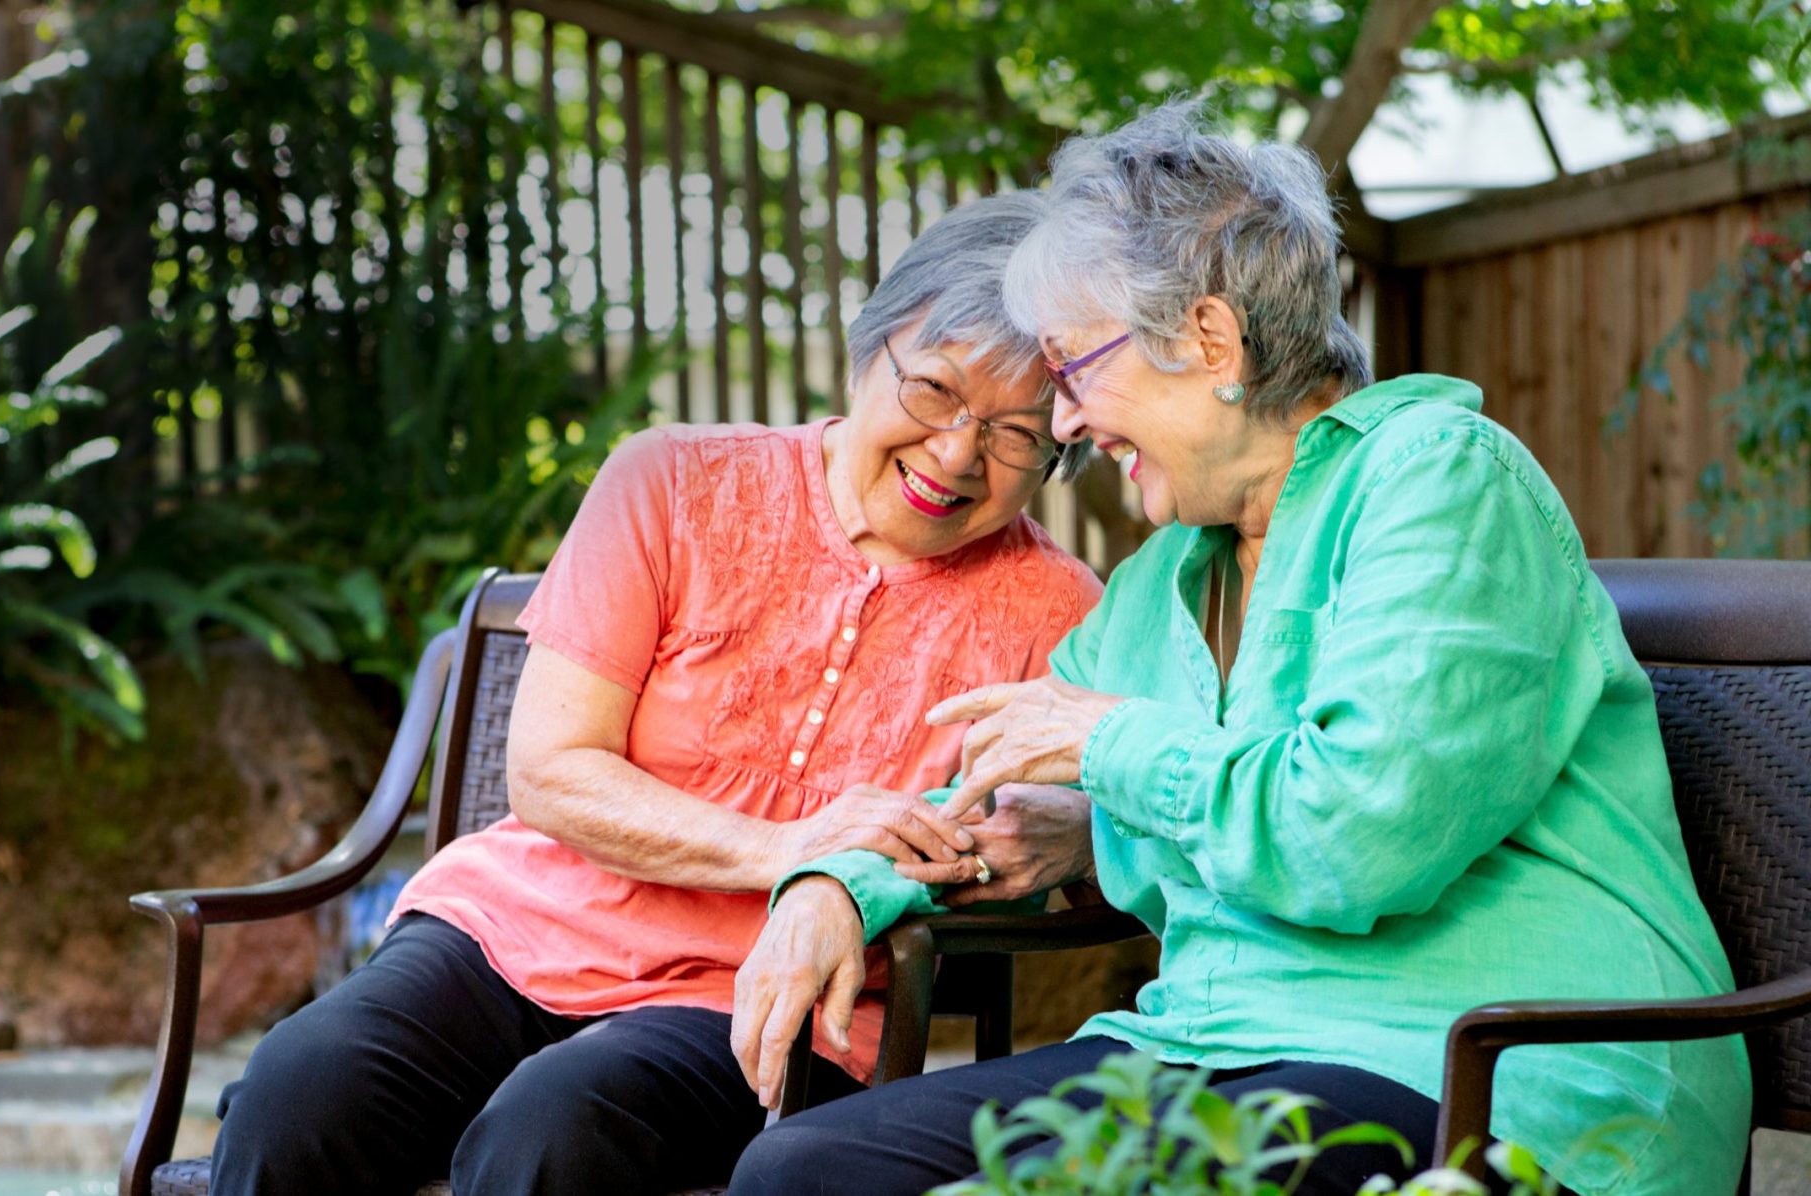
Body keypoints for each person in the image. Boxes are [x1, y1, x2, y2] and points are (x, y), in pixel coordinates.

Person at [728, 103, 1751, 1196]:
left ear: (1210, 341)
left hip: (1500, 1066)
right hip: (1216, 1047)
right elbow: (965, 790)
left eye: (1075, 371)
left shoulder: (1442, 478)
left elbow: (1365, 830)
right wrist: (833, 887)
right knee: (806, 1170)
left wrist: (1115, 750)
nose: (1064, 424)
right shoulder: (1162, 582)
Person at [205, 191, 1103, 1196]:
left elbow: (1085, 834)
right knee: (298, 1092)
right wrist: (788, 850)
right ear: (875, 347)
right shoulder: (671, 482)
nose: (956, 454)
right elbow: (550, 770)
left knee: (552, 1130)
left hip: (748, 997)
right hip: (511, 931)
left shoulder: (1060, 609)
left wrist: (1069, 828)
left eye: (1016, 435)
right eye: (936, 390)